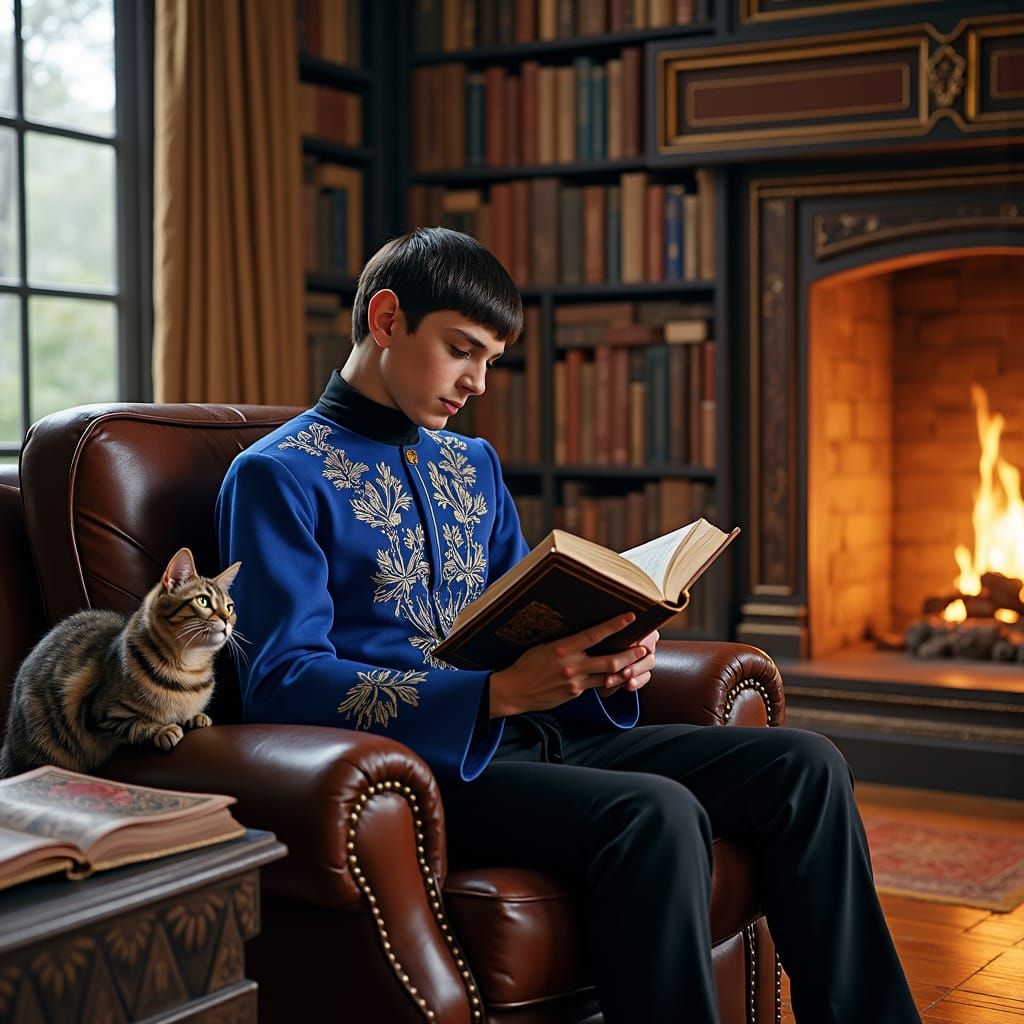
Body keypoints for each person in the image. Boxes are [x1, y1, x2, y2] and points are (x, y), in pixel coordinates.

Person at [216, 227, 920, 1023]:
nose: (477, 382)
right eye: (461, 350)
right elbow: (282, 679)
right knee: (658, 813)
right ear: (386, 320)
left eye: (491, 360)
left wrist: (610, 650)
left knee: (807, 766)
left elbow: (523, 615)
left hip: (548, 737)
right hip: (432, 772)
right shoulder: (277, 475)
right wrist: (493, 697)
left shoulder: (471, 465)